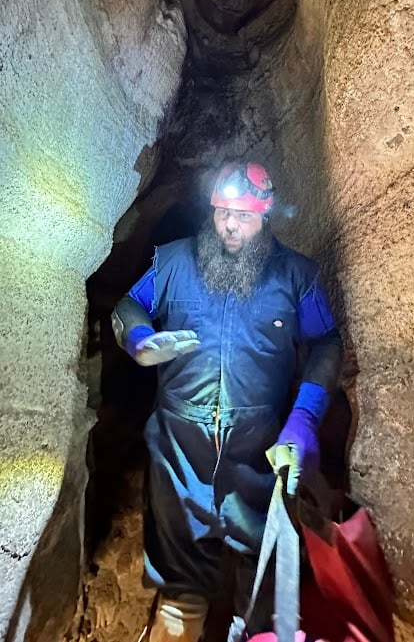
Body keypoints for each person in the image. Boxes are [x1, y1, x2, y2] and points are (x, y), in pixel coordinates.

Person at [111, 161, 343, 642]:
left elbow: (325, 343)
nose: (230, 226)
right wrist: (138, 338)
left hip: (257, 454)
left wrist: (303, 420)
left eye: (243, 216)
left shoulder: (296, 275)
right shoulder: (172, 262)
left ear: (266, 215)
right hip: (179, 453)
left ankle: (258, 627)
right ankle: (178, 620)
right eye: (221, 213)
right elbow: (130, 304)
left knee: (261, 581)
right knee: (180, 585)